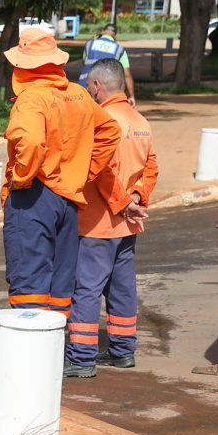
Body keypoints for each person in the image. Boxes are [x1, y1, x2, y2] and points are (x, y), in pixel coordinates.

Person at [1, 28, 122, 320]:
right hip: (68, 200)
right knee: (59, 285)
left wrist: (21, 177)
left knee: (29, 283)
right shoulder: (77, 94)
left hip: (34, 196)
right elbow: (110, 131)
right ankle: (55, 354)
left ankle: (30, 355)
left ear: (23, 66)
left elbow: (29, 143)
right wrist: (84, 173)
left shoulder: (32, 99)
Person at [65, 57, 157, 378]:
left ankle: (81, 357)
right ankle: (122, 351)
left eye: (89, 85)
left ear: (98, 86)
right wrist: (136, 198)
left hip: (97, 223)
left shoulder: (101, 121)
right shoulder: (141, 121)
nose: (88, 90)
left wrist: (121, 202)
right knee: (122, 288)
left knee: (87, 289)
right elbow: (151, 167)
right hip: (128, 225)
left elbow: (100, 172)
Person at [77, 23, 135, 106]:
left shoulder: (89, 44)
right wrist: (131, 96)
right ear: (115, 35)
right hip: (105, 92)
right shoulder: (119, 49)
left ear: (102, 31)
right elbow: (127, 74)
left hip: (84, 86)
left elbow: (84, 62)